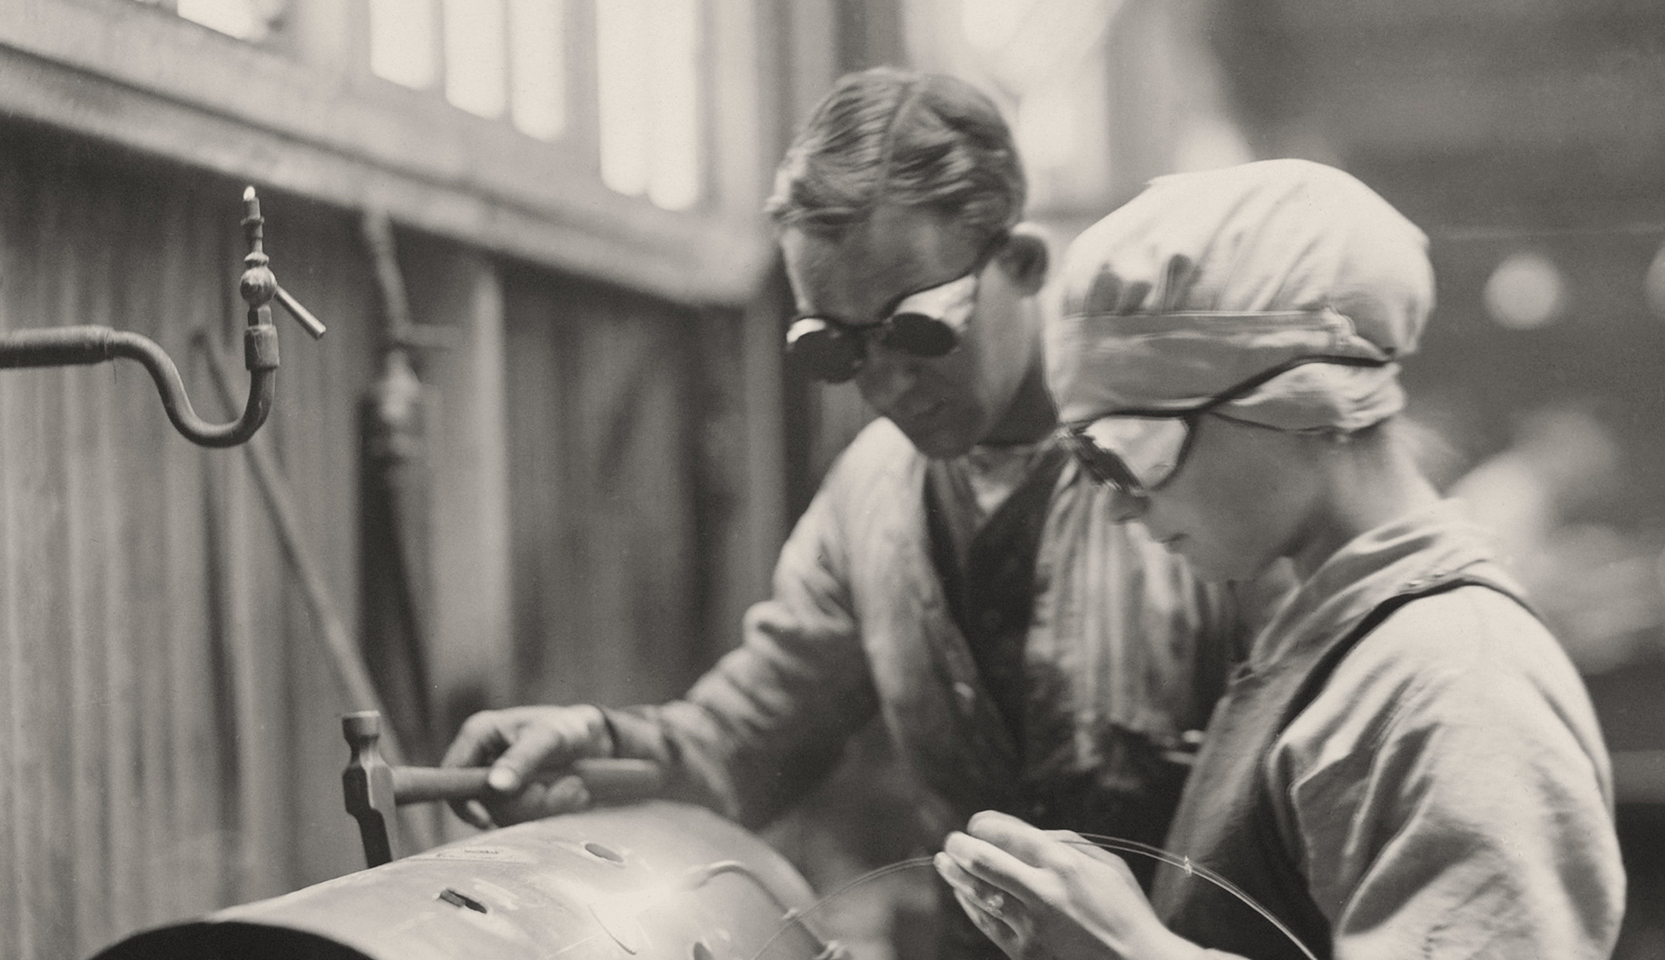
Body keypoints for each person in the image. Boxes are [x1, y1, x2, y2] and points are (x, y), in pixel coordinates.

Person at [442, 68, 1261, 956]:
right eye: (835, 348)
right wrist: (594, 747)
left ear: (1022, 264)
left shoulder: (1192, 469)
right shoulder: (871, 495)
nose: (886, 384)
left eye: (918, 330)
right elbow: (746, 744)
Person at [934, 160, 1627, 960]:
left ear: (1304, 399)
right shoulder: (1334, 644)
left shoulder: (1454, 684)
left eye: (1132, 453)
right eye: (1089, 464)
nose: (1117, 505)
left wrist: (1132, 952)